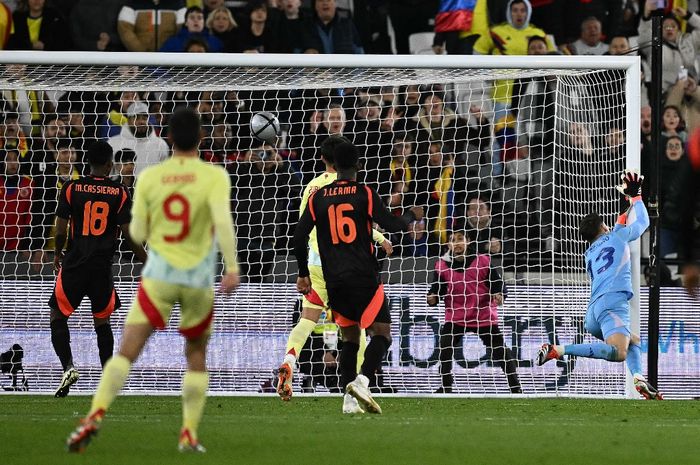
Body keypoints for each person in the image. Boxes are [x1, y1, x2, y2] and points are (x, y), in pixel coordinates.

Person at [65, 108, 241, 453]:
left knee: (127, 352)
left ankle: (95, 415)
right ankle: (188, 433)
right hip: (197, 279)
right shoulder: (215, 176)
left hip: (158, 275)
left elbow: (136, 232)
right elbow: (223, 224)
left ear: (169, 138)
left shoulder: (149, 179)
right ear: (202, 138)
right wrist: (232, 268)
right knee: (195, 355)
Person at [293, 142, 423, 414]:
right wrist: (413, 214)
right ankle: (363, 381)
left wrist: (304, 273)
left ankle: (348, 401)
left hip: (334, 280)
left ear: (333, 165)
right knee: (382, 334)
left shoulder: (319, 197)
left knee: (349, 339)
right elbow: (393, 225)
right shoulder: (364, 193)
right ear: (358, 165)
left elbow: (298, 235)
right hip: (364, 276)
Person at [276, 135, 391, 409]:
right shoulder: (350, 185)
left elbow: (304, 226)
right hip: (342, 263)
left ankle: (289, 360)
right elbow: (353, 221)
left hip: (315, 262)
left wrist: (301, 269)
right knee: (357, 328)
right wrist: (379, 238)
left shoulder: (313, 187)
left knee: (307, 319)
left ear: (323, 159)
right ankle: (359, 387)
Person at [536, 169, 663, 400]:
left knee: (633, 339)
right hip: (613, 303)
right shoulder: (616, 237)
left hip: (593, 313)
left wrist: (626, 203)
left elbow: (618, 227)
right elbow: (643, 222)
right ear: (604, 227)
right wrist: (636, 197)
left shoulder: (589, 253)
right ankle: (557, 350)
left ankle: (638, 377)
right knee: (619, 352)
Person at [49, 141, 147, 398]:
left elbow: (60, 228)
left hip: (75, 262)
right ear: (109, 165)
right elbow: (129, 234)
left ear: (87, 162)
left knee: (57, 315)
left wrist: (58, 253)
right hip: (102, 266)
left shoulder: (72, 188)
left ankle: (68, 367)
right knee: (102, 322)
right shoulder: (120, 192)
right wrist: (146, 259)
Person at [427, 230, 522, 394]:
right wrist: (432, 297)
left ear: (468, 241)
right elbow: (437, 290)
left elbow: (499, 284)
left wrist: (500, 294)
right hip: (456, 316)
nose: (456, 243)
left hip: (483, 315)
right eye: (452, 240)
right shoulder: (441, 265)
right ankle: (446, 387)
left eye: (460, 239)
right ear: (448, 244)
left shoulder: (482, 261)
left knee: (500, 350)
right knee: (444, 347)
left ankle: (516, 387)